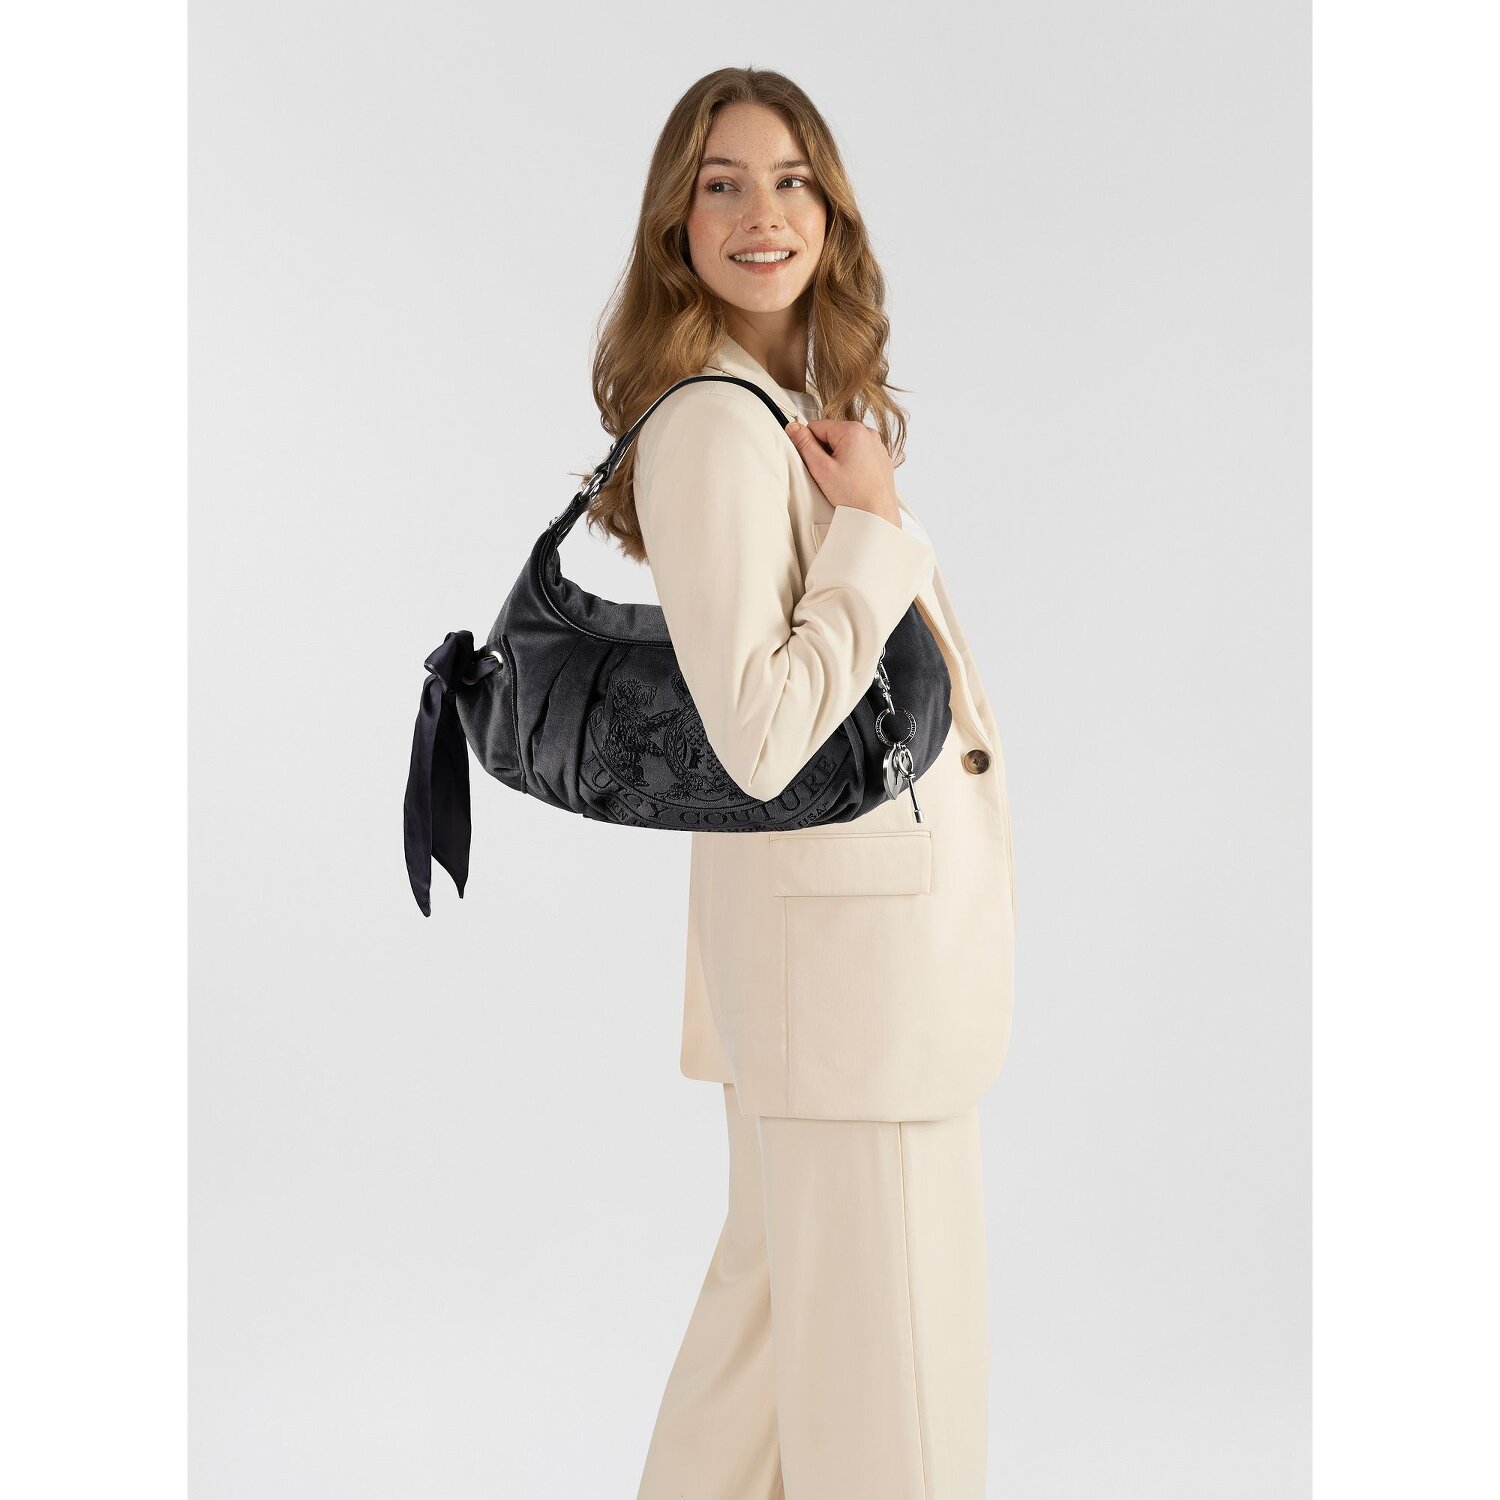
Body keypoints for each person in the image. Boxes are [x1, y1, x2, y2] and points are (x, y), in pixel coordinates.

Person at [584, 67, 1016, 1500]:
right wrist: (874, 531)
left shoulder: (774, 407)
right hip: (849, 998)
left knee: (762, 1387)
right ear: (677, 223)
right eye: (721, 184)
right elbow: (761, 736)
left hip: (831, 982)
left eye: (791, 181)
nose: (761, 213)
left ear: (830, 213)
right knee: (897, 1418)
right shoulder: (718, 425)